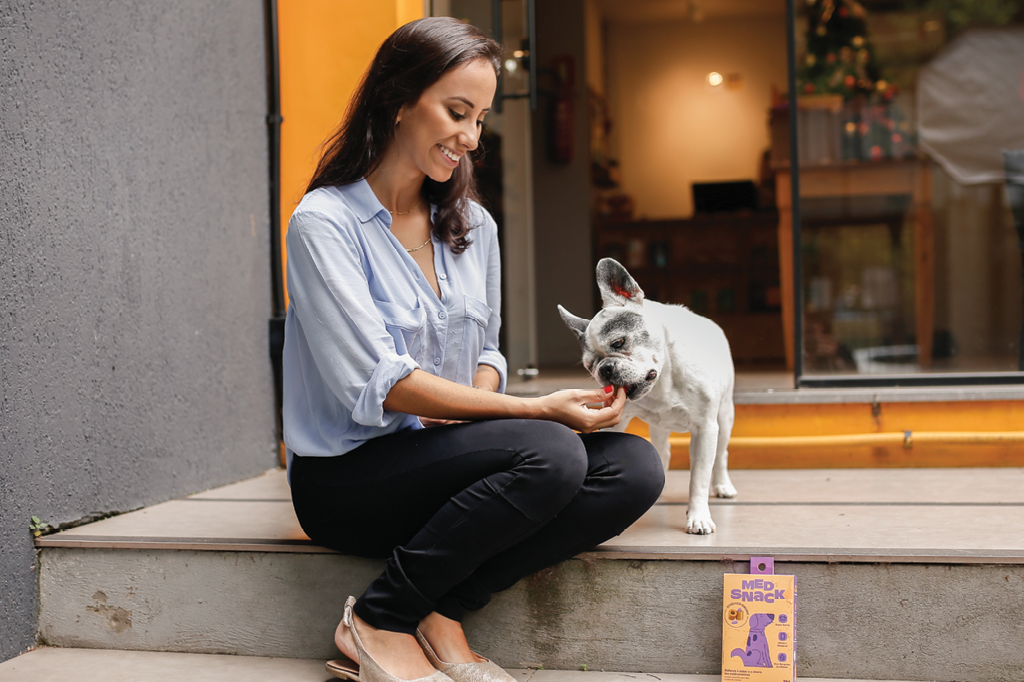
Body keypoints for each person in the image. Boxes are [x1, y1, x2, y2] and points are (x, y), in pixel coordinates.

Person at [283, 17, 665, 682]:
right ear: (399, 99)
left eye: (481, 119)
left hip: (445, 460)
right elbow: (384, 383)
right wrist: (536, 411)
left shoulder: (472, 226)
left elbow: (487, 348)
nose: (471, 138)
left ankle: (442, 605)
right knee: (548, 451)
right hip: (349, 479)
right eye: (457, 112)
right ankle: (379, 617)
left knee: (633, 467)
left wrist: (476, 406)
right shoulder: (325, 224)